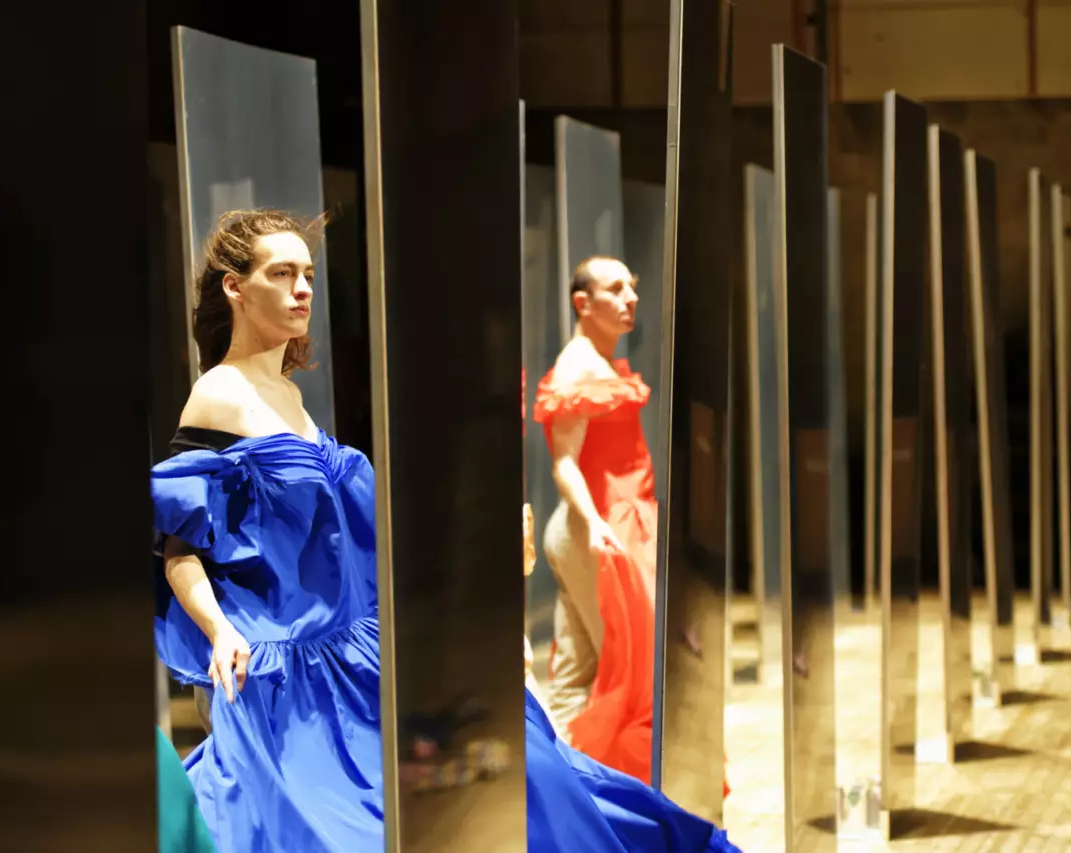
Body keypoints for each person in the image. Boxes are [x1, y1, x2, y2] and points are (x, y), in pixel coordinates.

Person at [152, 209, 738, 852]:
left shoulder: (288, 393)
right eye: (282, 273)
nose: (303, 290)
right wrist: (219, 629)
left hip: (363, 651)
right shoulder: (219, 394)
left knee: (529, 778)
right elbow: (180, 542)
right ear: (235, 287)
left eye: (309, 275)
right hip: (294, 677)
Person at [534, 256, 658, 783]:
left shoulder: (599, 362)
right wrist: (596, 524)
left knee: (580, 668)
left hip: (607, 525)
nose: (631, 297)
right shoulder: (578, 367)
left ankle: (566, 785)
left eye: (632, 286)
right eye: (616, 288)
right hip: (597, 529)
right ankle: (585, 786)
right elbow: (564, 462)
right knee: (623, 666)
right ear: (583, 303)